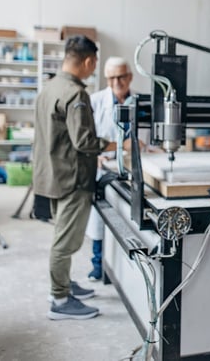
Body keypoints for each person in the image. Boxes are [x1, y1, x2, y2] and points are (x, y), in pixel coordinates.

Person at [33, 35, 114, 320]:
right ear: (89, 61)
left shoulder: (50, 87)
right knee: (65, 243)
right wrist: (116, 145)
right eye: (94, 65)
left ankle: (63, 285)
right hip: (72, 179)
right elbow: (84, 142)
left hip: (52, 174)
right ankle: (59, 300)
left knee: (61, 234)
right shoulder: (76, 94)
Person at [86, 56, 134, 281]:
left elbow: (147, 140)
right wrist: (93, 155)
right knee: (99, 219)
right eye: (112, 77)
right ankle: (98, 264)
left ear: (130, 77)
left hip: (131, 170)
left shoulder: (140, 103)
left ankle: (124, 268)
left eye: (121, 77)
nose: (117, 82)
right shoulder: (94, 102)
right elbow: (85, 138)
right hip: (103, 168)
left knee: (127, 218)